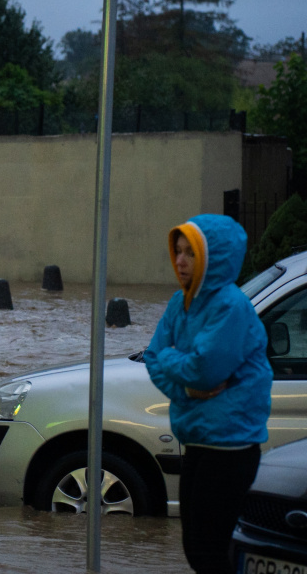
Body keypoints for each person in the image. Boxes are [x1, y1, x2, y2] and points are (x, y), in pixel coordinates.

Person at [144, 214, 272, 574]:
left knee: (207, 549)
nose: (180, 261)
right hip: (197, 440)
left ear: (211, 258)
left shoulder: (231, 306)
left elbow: (206, 369)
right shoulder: (179, 302)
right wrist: (185, 388)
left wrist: (177, 364)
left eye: (191, 253)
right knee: (194, 546)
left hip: (231, 447)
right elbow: (154, 358)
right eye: (178, 251)